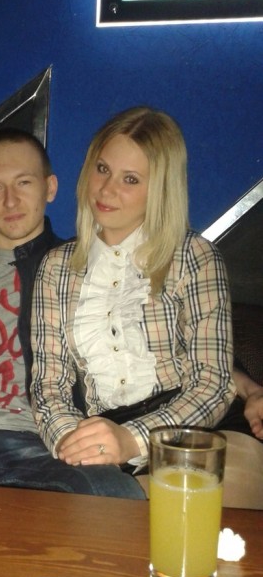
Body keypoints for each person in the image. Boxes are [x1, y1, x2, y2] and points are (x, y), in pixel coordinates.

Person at [0, 127, 145, 499]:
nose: (10, 200)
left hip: (45, 444)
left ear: (50, 188)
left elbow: (158, 331)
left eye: (24, 183)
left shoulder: (84, 267)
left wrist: (237, 379)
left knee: (116, 496)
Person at [31, 106, 236, 473]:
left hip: (193, 431)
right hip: (103, 437)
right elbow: (49, 386)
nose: (107, 189)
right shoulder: (56, 268)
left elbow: (213, 384)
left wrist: (132, 440)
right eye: (102, 169)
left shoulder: (195, 256)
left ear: (159, 189)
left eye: (130, 179)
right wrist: (72, 443)